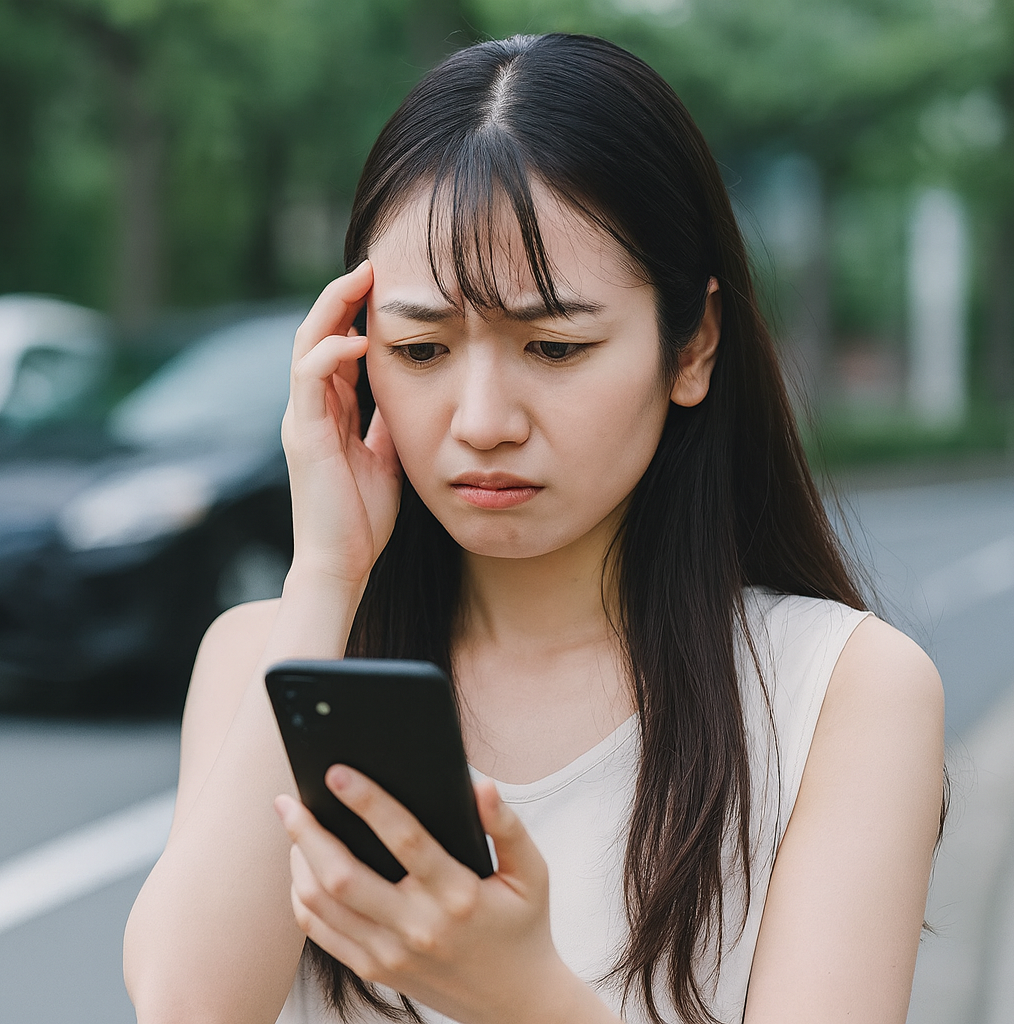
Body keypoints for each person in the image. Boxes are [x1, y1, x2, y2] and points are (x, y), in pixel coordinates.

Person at [123, 32, 944, 1024]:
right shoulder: (271, 653)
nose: (480, 421)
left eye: (553, 345)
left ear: (693, 346)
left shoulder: (839, 690)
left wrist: (520, 997)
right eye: (421, 348)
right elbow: (187, 1006)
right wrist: (327, 572)